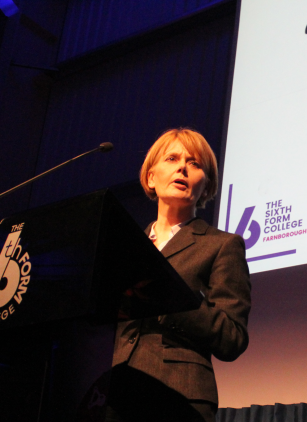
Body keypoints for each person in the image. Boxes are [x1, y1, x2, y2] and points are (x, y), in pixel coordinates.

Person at [107, 128, 251, 422]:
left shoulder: (222, 245)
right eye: (172, 158)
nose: (183, 167)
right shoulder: (124, 247)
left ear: (206, 185)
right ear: (150, 177)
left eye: (195, 163)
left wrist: (173, 298)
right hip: (111, 394)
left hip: (179, 397)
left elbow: (232, 337)